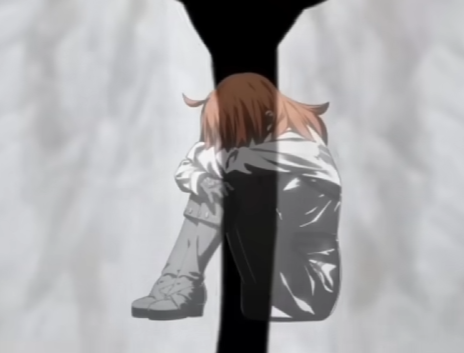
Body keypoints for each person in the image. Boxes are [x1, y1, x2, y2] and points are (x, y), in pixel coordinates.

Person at [131, 72, 342, 321]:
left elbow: (219, 160)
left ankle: (185, 284)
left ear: (263, 116)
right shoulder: (249, 151)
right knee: (213, 186)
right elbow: (193, 166)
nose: (222, 137)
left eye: (228, 127)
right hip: (269, 277)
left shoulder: (302, 148)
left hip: (307, 286)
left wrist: (205, 175)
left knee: (226, 188)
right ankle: (175, 282)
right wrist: (203, 180)